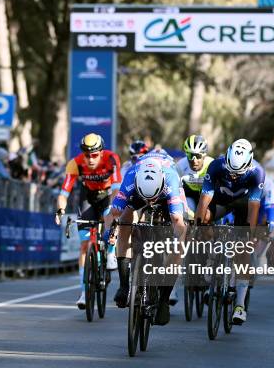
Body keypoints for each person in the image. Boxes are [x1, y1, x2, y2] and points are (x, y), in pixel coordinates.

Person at [110, 151, 187, 325]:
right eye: (148, 199)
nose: (150, 202)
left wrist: (178, 243)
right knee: (124, 221)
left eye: (152, 198)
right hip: (138, 193)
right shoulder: (131, 176)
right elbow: (114, 212)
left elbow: (178, 222)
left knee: (179, 240)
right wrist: (111, 230)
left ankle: (164, 300)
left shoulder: (171, 179)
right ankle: (123, 285)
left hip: (166, 194)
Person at [196, 138, 265, 325]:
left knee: (242, 251)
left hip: (244, 205)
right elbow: (205, 198)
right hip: (222, 201)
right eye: (231, 172)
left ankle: (240, 305)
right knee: (205, 220)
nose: (234, 177)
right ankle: (212, 263)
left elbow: (253, 207)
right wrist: (199, 225)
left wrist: (249, 235)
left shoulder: (257, 172)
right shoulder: (217, 165)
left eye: (238, 174)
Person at [54, 133, 122, 309]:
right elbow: (64, 192)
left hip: (108, 195)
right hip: (88, 198)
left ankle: (111, 251)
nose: (90, 159)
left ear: (101, 152)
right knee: (84, 245)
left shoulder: (111, 159)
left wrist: (114, 213)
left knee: (109, 218)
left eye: (94, 155)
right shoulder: (75, 163)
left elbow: (116, 188)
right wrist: (60, 209)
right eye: (87, 155)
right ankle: (84, 291)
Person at [175, 135, 214, 221]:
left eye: (198, 156)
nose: (194, 160)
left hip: (207, 196)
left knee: (207, 217)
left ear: (204, 155)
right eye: (190, 155)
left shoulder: (212, 164)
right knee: (186, 214)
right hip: (190, 195)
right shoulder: (180, 166)